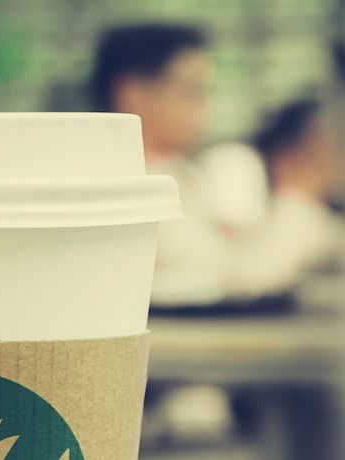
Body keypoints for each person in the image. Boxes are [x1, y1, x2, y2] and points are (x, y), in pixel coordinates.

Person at [91, 23, 342, 306]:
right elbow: (235, 285)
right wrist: (300, 194)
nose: (204, 109)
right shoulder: (131, 194)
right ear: (133, 93)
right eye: (192, 92)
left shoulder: (185, 174)